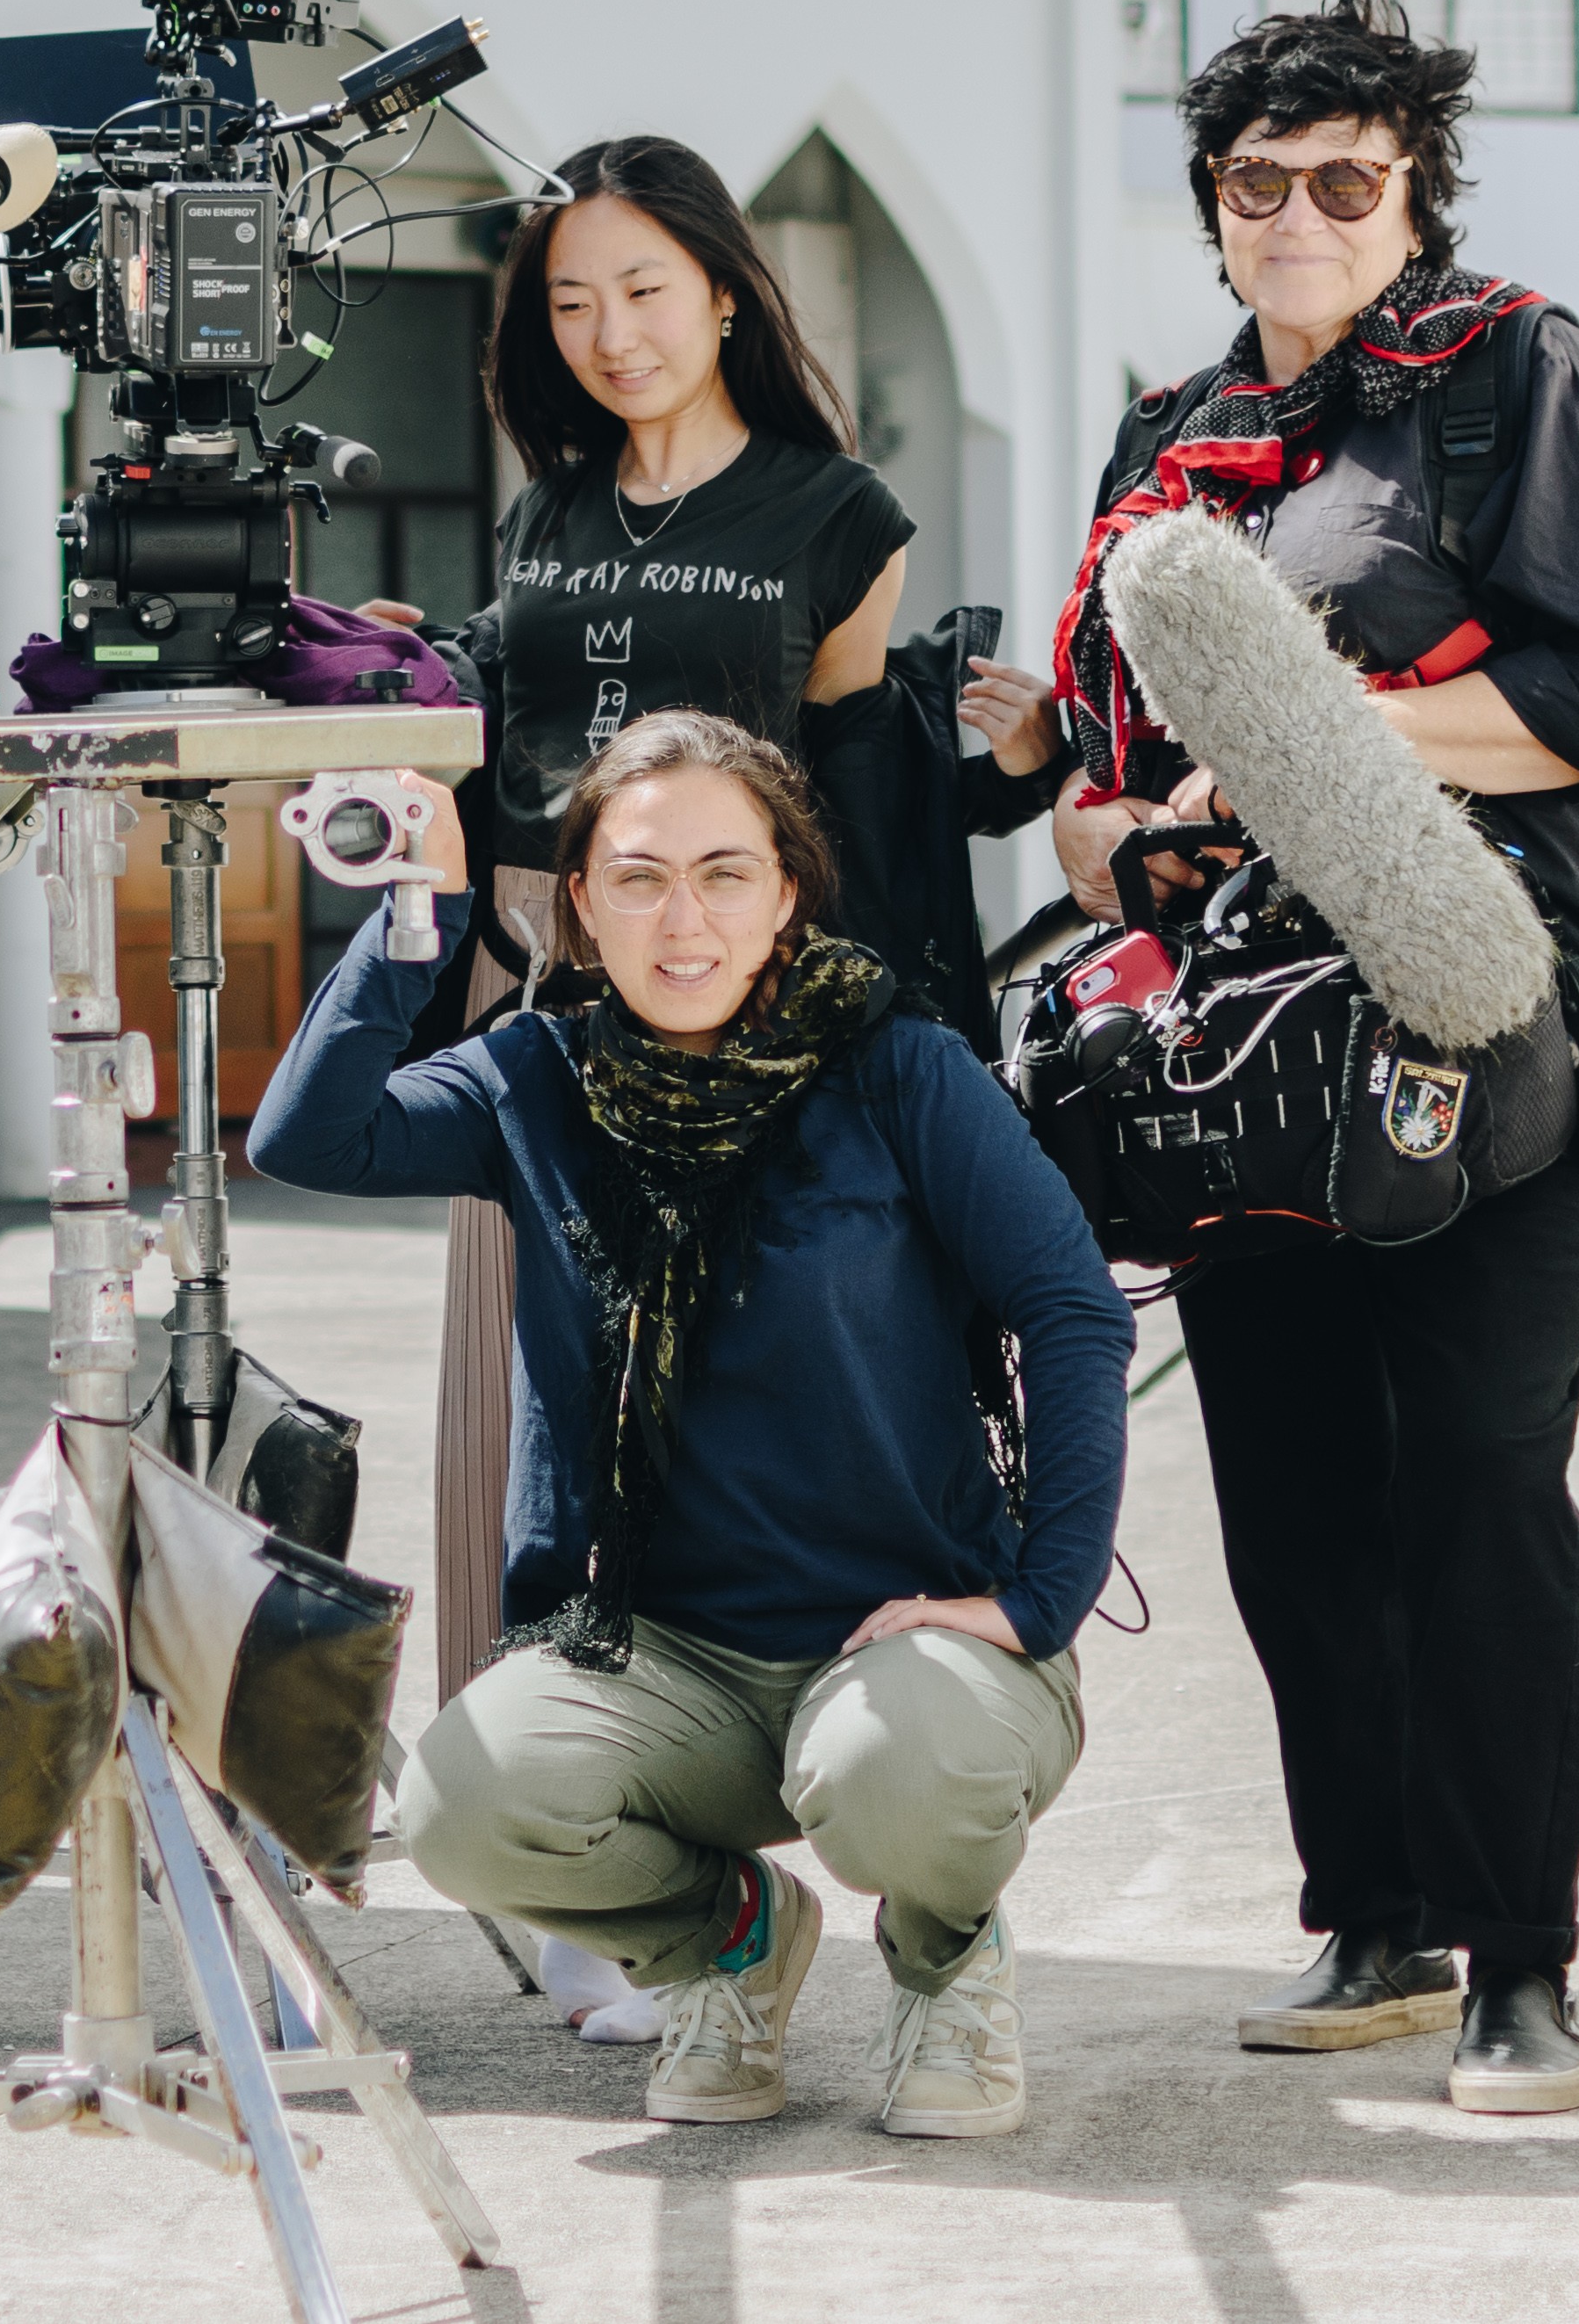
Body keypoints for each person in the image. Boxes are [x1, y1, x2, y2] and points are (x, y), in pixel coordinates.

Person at [1019, 0, 1579, 2116]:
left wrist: (1295, 749)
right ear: (1210, 209)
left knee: (1480, 1477)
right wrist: (1118, 823)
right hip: (1239, 1027)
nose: (1294, 210)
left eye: (1340, 178)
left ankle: (1520, 1959)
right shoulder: (1168, 436)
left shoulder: (1516, 381)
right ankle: (1374, 1913)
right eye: (1253, 180)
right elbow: (1098, 761)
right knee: (1295, 1488)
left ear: (1409, 196)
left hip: (1491, 1001)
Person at [249, 711, 1131, 2138]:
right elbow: (305, 1138)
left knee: (891, 1774)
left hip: (903, 1642)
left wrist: (1036, 1600)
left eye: (725, 873)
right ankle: (723, 1941)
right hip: (662, 1658)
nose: (683, 918)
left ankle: (946, 1962)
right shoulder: (531, 1076)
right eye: (638, 876)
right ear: (580, 905)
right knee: (462, 1805)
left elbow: (1073, 1310)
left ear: (786, 892)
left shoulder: (895, 1070)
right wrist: (425, 911)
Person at [389, 134, 916, 2044]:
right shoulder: (536, 523)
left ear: (720, 288)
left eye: (640, 286)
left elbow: (865, 800)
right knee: (531, 1419)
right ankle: (580, 1851)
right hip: (535, 1001)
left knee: (715, 1424)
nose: (608, 331)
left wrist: (883, 1063)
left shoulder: (832, 514)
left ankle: (717, 1849)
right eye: (566, 299)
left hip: (740, 1020)